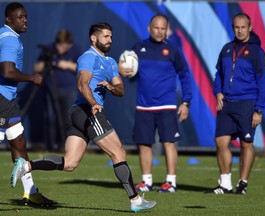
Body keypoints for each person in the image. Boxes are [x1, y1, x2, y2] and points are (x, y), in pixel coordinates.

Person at [11, 22, 156, 212]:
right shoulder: (88, 57)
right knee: (118, 152)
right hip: (87, 111)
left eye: (111, 36)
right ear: (93, 38)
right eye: (105, 36)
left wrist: (112, 87)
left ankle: (27, 165)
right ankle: (136, 200)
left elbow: (120, 90)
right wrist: (94, 103)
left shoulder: (111, 62)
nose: (109, 40)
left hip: (79, 113)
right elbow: (82, 84)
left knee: (70, 163)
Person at [118, 14, 193, 193]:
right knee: (144, 144)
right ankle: (146, 182)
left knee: (169, 143)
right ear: (149, 28)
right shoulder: (138, 48)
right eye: (156, 27)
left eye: (163, 28)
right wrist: (122, 70)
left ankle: (171, 182)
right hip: (144, 106)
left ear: (167, 30)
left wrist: (186, 102)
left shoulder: (173, 51)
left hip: (166, 106)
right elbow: (130, 72)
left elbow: (185, 76)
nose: (160, 31)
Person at [206, 13, 265, 194]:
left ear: (250, 28)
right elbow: (218, 73)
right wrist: (217, 91)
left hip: (247, 103)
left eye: (243, 27)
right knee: (220, 142)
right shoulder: (226, 49)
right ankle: (225, 184)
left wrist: (259, 109)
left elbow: (263, 82)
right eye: (237, 27)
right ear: (233, 28)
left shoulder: (257, 52)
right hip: (226, 103)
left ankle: (243, 183)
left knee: (245, 144)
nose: (240, 30)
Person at [0, 2, 56, 206]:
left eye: (26, 16)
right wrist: (32, 78)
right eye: (20, 17)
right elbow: (7, 71)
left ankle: (30, 192)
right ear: (8, 19)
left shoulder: (6, 36)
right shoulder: (10, 41)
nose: (25, 20)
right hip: (2, 99)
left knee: (19, 141)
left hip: (8, 98)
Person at [33, 29, 81, 150]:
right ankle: (50, 146)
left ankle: (69, 147)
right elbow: (36, 68)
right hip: (50, 89)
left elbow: (82, 68)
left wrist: (67, 65)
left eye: (64, 45)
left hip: (69, 90)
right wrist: (48, 63)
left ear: (69, 44)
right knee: (50, 118)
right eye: (59, 45)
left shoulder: (76, 50)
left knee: (69, 119)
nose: (60, 48)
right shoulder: (49, 49)